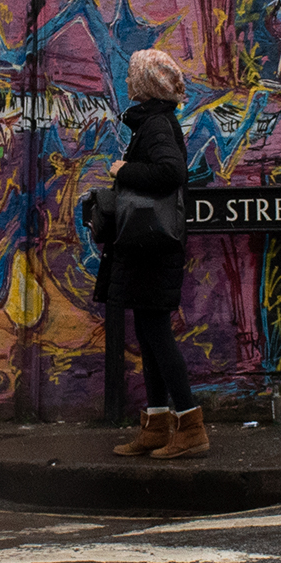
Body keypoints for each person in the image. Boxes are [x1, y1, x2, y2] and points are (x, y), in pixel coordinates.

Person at [101, 49, 207, 460]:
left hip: (155, 247)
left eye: (133, 78)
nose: (127, 84)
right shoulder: (153, 122)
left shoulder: (158, 125)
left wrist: (121, 170)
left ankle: (191, 426)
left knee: (158, 336)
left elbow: (171, 173)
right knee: (148, 334)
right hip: (149, 247)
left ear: (147, 85)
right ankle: (157, 424)